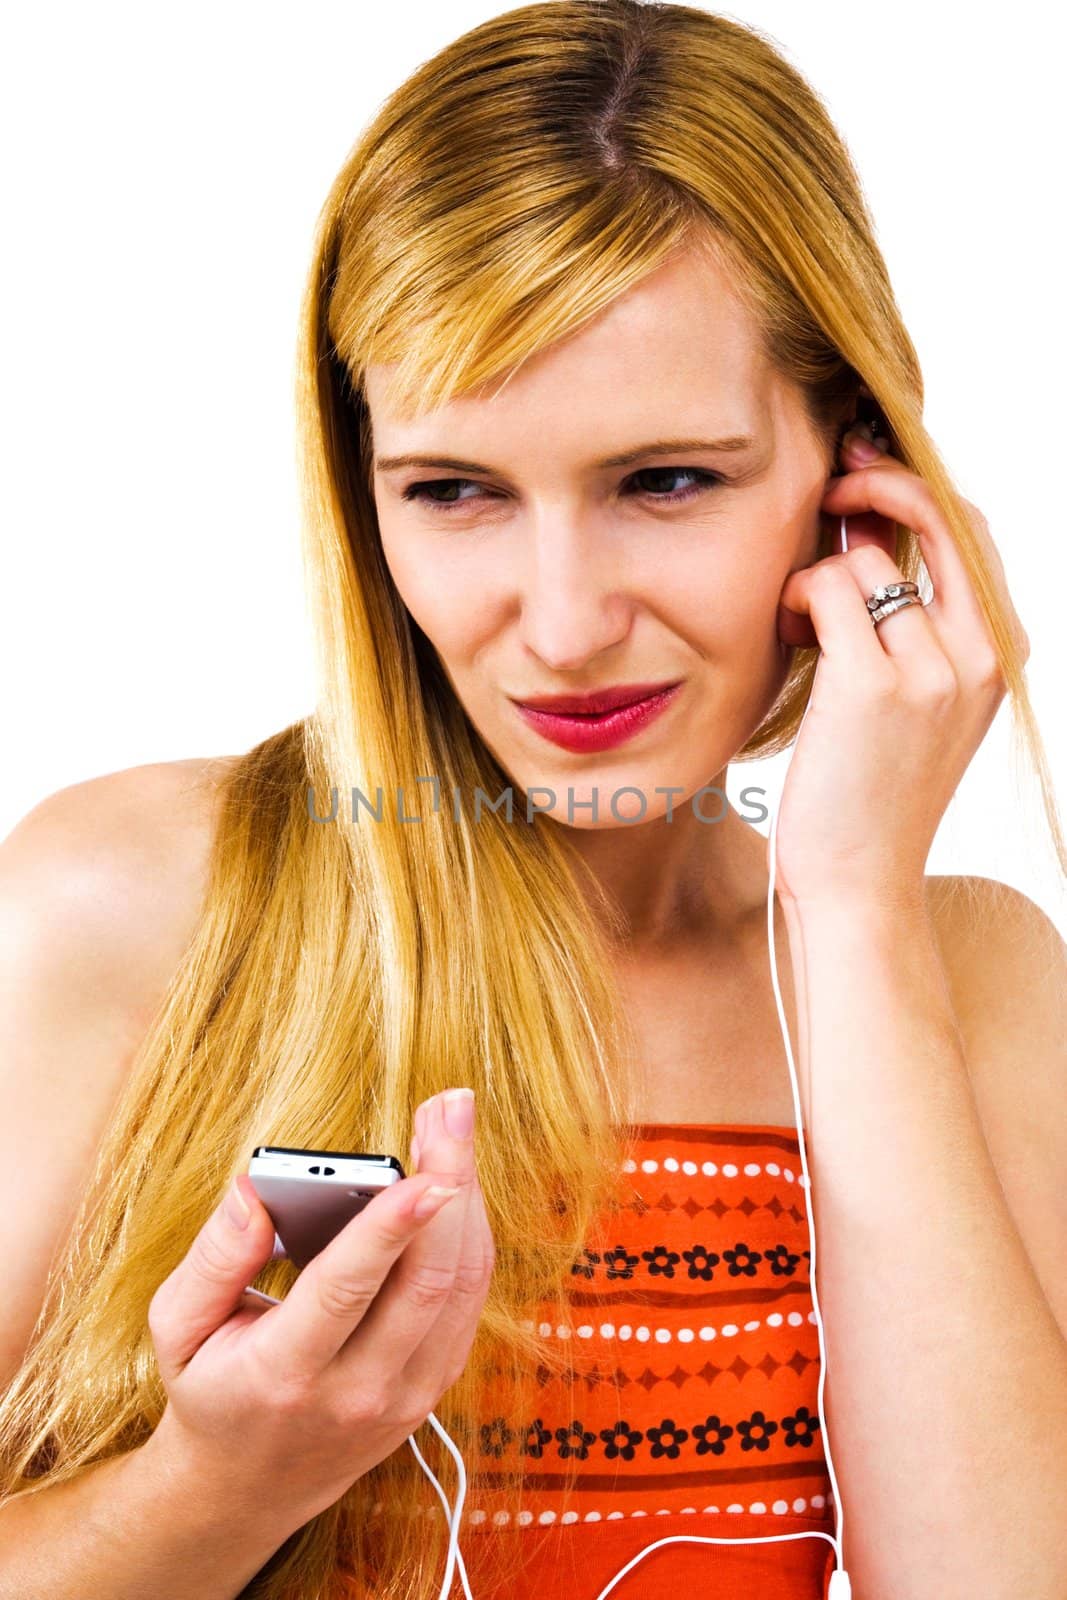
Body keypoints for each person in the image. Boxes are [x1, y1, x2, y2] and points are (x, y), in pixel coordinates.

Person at [1, 2, 1065, 1598]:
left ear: (854, 470)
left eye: (667, 481)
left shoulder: (967, 979)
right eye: (455, 491)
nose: (561, 628)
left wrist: (850, 905)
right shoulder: (130, 906)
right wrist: (216, 1486)